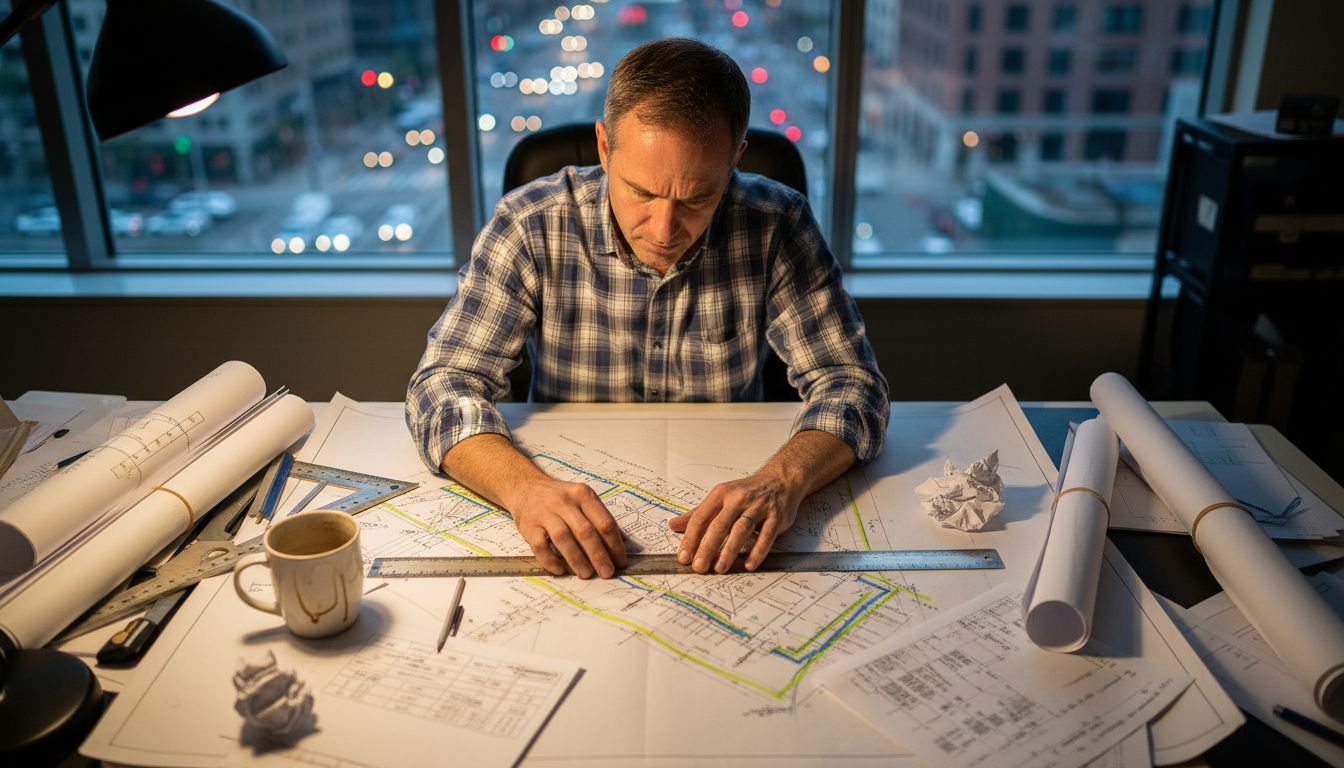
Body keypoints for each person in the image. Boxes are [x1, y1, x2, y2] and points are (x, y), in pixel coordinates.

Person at [407, 38, 888, 579]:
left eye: (697, 198)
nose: (663, 231)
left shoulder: (778, 223)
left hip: (727, 479)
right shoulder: (530, 222)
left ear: (735, 160)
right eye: (640, 191)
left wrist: (784, 480)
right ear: (605, 147)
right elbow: (443, 384)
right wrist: (524, 490)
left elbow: (853, 385)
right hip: (562, 477)